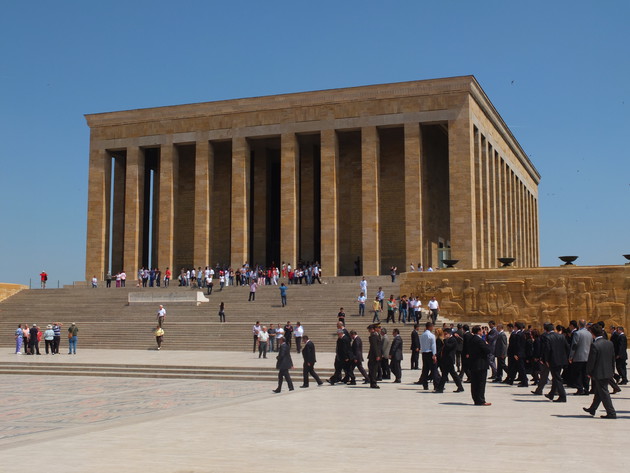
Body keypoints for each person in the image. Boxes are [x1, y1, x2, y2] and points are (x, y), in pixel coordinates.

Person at [583, 323, 617, 418]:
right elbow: (612, 359)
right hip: (608, 372)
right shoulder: (609, 343)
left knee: (604, 392)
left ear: (592, 334)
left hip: (599, 373)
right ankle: (592, 409)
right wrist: (612, 371)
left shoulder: (595, 345)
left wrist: (589, 372)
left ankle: (611, 413)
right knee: (599, 391)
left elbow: (591, 361)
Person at [541, 322, 569, 402]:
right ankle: (551, 394)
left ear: (546, 330)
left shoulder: (547, 337)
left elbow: (547, 350)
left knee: (557, 378)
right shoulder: (561, 336)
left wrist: (546, 360)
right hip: (561, 360)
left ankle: (562, 396)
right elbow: (567, 347)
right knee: (556, 377)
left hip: (553, 361)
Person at [435, 329, 464, 393]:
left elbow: (449, 347)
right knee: (450, 374)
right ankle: (460, 387)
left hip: (449, 360)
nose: (444, 336)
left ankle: (440, 388)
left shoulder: (452, 340)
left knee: (446, 375)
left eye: (445, 334)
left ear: (448, 334)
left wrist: (445, 340)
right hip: (446, 360)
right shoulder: (449, 340)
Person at [468, 325, 491, 405]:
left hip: (473, 363)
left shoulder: (471, 339)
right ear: (478, 331)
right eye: (481, 330)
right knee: (481, 383)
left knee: (474, 383)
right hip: (481, 364)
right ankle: (481, 400)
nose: (483, 331)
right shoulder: (480, 340)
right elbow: (487, 350)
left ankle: (476, 399)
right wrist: (487, 344)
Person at [569, 319, 592, 395]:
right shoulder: (589, 334)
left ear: (579, 325)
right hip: (587, 357)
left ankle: (580, 389)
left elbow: (574, 346)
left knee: (578, 374)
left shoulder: (577, 333)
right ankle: (586, 389)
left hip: (578, 357)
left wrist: (571, 356)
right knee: (585, 374)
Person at [416, 322, 438, 390]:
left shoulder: (422, 335)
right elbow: (433, 345)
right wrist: (434, 354)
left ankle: (425, 385)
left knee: (425, 370)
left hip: (424, 353)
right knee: (434, 370)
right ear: (430, 327)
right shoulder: (431, 335)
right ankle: (436, 385)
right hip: (430, 353)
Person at [367, 324, 382, 389]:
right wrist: (377, 355)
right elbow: (374, 346)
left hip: (375, 355)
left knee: (374, 369)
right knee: (373, 369)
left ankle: (372, 381)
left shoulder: (376, 335)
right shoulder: (373, 336)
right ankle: (373, 383)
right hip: (374, 355)